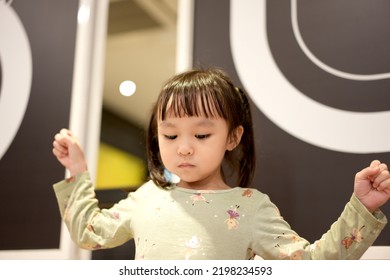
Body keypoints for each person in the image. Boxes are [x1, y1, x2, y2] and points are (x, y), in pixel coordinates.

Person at [52, 68, 389, 260]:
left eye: (201, 135)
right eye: (170, 136)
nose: (183, 149)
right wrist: (78, 172)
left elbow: (312, 265)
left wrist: (362, 207)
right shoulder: (147, 198)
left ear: (232, 137)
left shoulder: (251, 208)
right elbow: (88, 232)